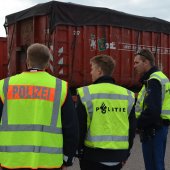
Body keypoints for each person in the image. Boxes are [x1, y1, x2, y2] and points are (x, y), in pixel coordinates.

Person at [0, 43, 79, 170]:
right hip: (48, 162)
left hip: (12, 161)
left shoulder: (5, 85)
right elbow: (71, 128)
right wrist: (67, 159)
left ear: (27, 61)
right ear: (48, 64)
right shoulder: (60, 87)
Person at [76, 54, 136, 170]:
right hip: (118, 157)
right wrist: (126, 154)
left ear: (99, 71)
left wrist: (79, 152)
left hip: (92, 157)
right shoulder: (128, 95)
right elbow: (132, 129)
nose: (90, 72)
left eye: (92, 69)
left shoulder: (86, 93)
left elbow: (80, 127)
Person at [134, 48, 170, 170]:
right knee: (157, 164)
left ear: (146, 62)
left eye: (136, 62)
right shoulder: (160, 77)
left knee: (153, 166)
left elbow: (152, 111)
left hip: (153, 130)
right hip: (159, 128)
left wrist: (136, 124)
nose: (134, 66)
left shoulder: (153, 80)